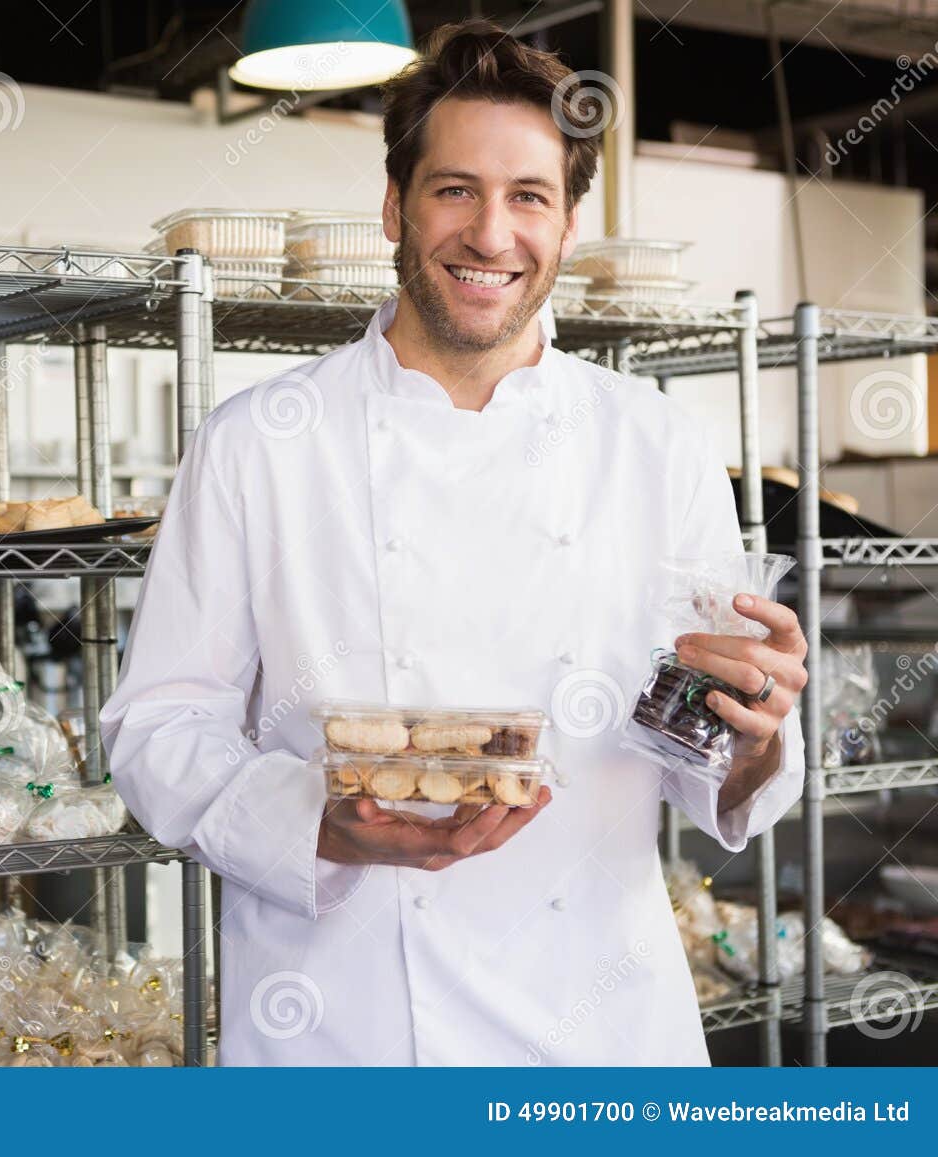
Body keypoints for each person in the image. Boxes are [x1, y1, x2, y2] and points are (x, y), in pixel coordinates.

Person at [99, 20, 807, 1066]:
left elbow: (694, 751)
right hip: (349, 1028)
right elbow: (159, 725)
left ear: (567, 226)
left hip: (602, 1036)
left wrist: (750, 737)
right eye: (454, 189)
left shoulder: (655, 440)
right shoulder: (259, 442)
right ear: (394, 205)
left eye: (528, 196)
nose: (490, 234)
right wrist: (318, 821)